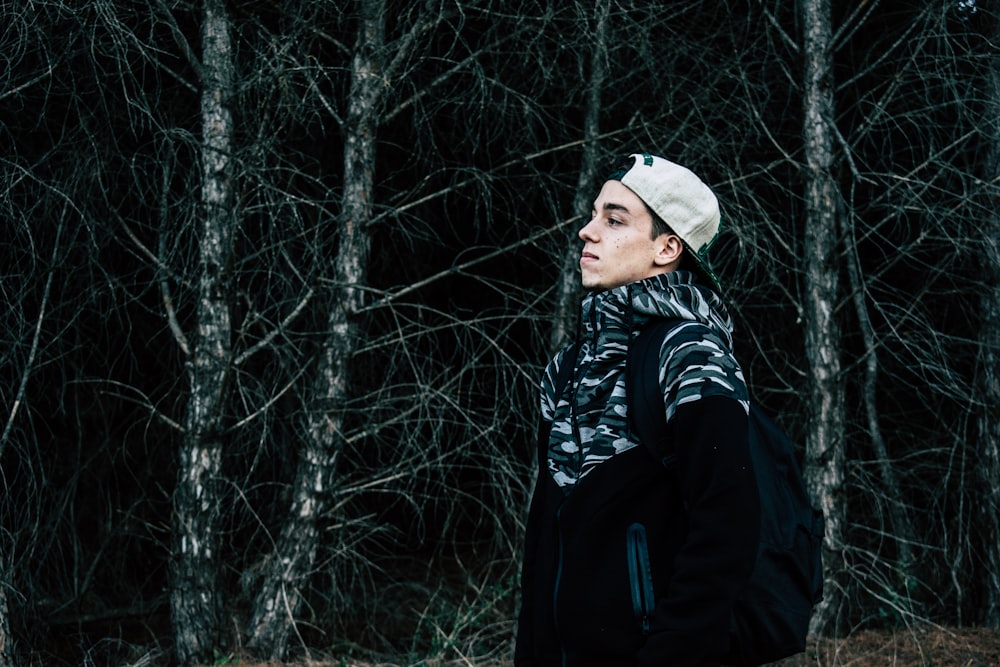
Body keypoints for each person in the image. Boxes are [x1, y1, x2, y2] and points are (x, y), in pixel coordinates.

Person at [515, 153, 761, 667]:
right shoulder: (566, 369)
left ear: (667, 247)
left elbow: (727, 536)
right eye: (593, 214)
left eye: (614, 219)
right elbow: (542, 542)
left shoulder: (692, 357)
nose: (587, 232)